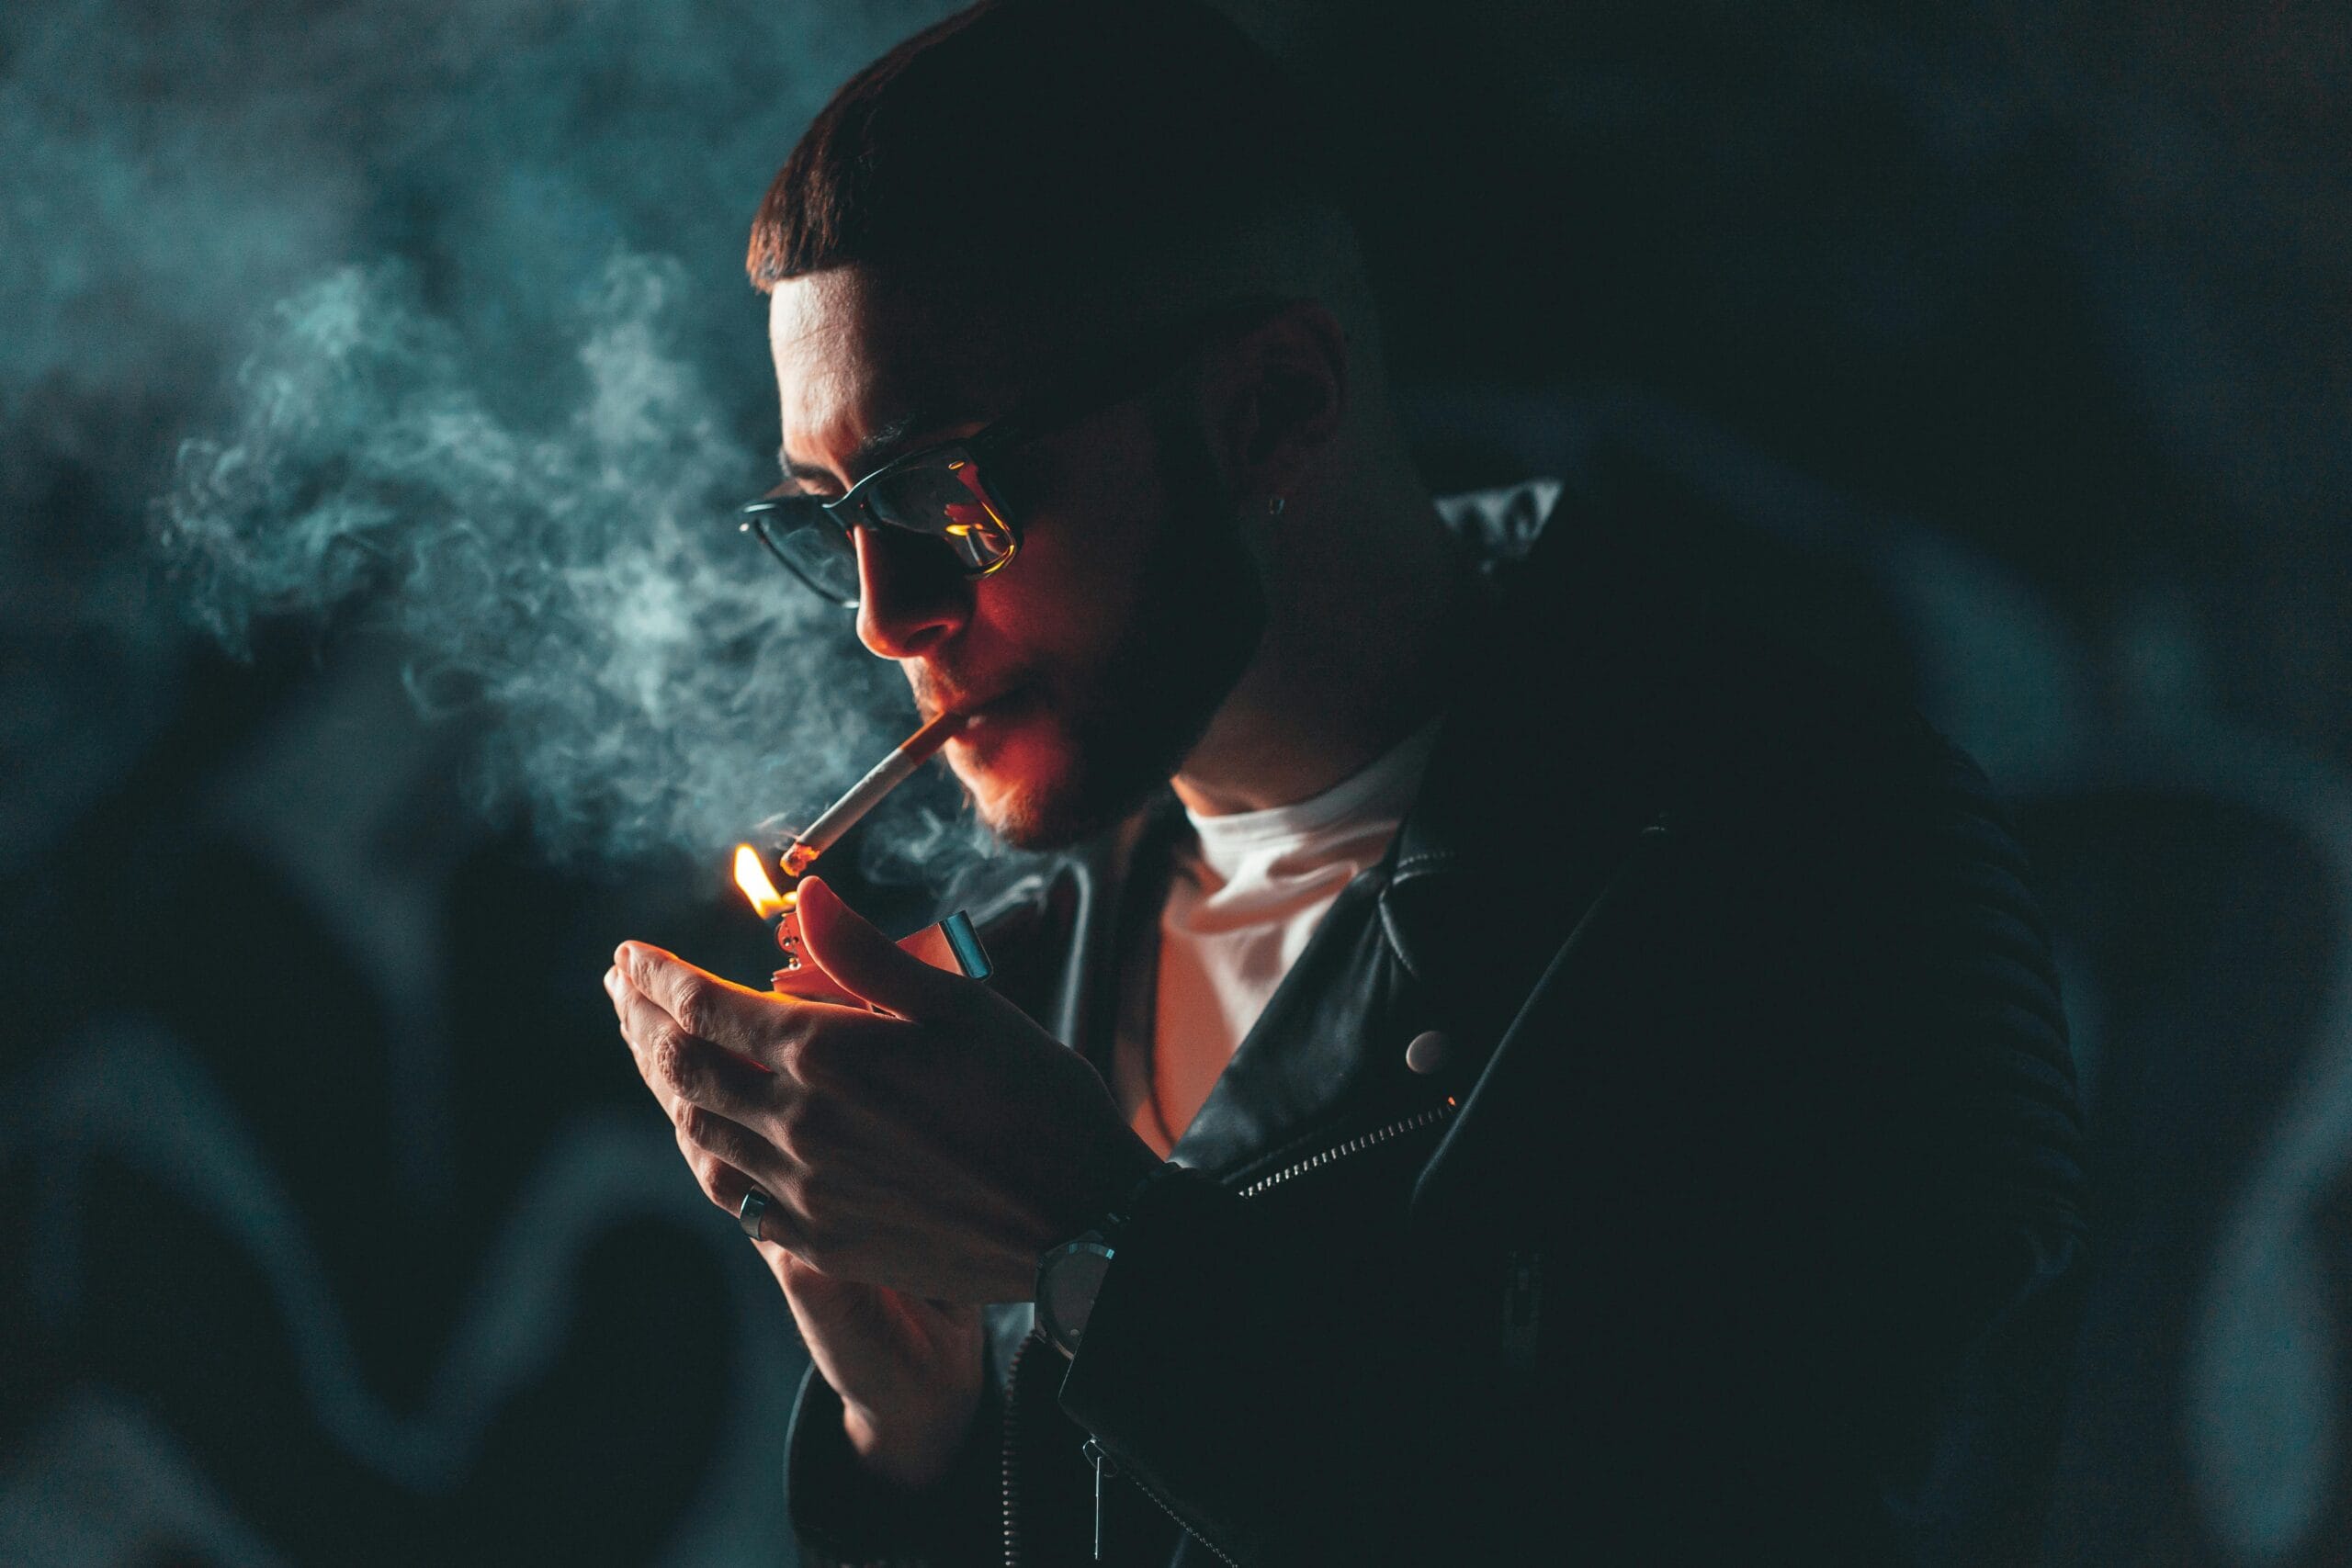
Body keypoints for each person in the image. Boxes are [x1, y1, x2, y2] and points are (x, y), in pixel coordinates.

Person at [602, 2, 2086, 1562]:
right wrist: (915, 1431)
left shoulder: (1801, 864)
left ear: (1273, 410)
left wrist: (1097, 1244)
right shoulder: (1039, 964)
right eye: (826, 516)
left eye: (946, 493)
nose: (883, 613)